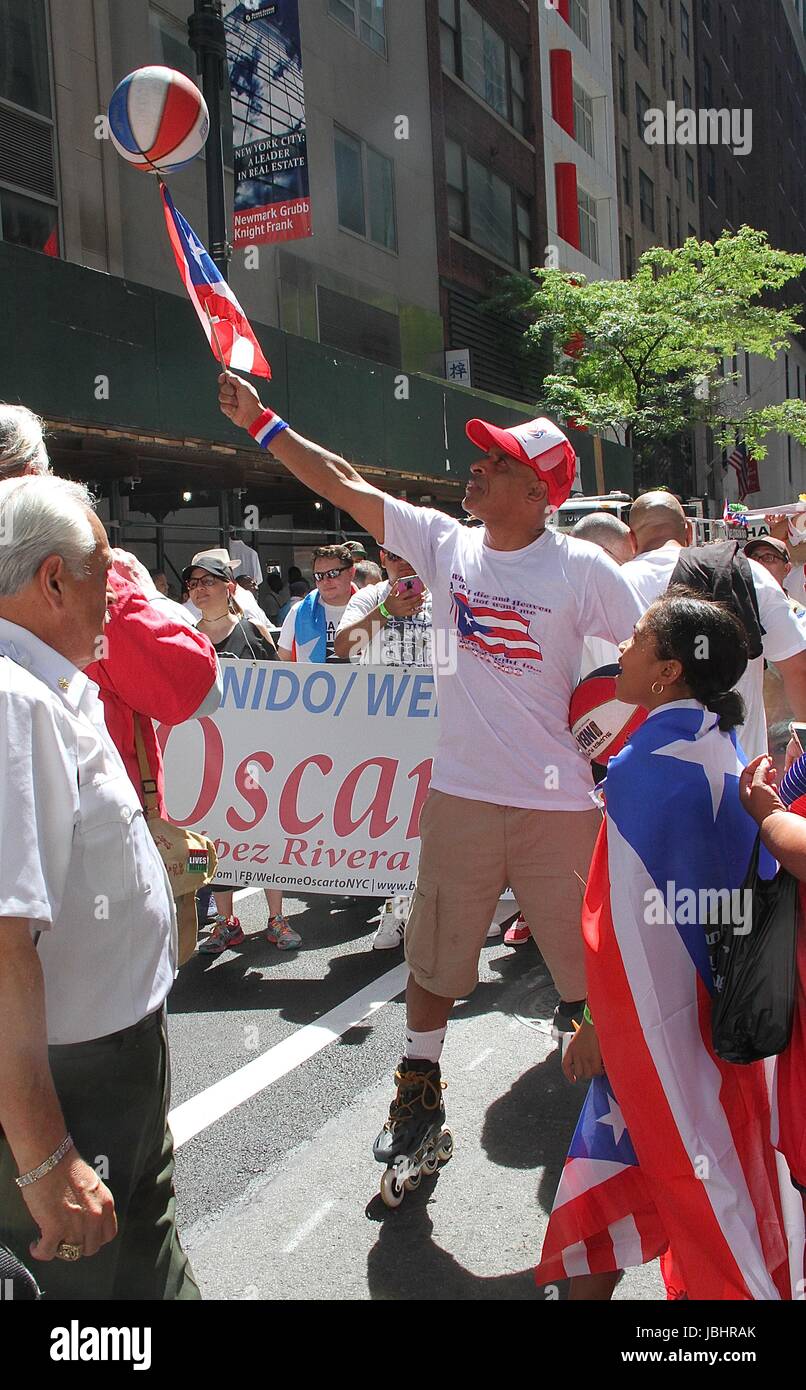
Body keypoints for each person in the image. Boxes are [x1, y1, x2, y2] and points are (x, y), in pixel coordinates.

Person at [217, 374, 643, 1183]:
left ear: (537, 489)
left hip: (559, 806)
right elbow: (343, 480)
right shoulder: (446, 543)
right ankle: (418, 1091)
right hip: (459, 798)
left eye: (497, 460)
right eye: (480, 454)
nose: (475, 467)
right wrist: (264, 423)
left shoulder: (583, 569)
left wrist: (612, 729)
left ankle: (617, 1099)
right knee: (435, 960)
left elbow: (653, 657)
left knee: (591, 970)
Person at [539, 592, 793, 1300]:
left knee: (681, 1182)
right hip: (724, 1025)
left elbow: (626, 933)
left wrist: (597, 1026)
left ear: (669, 671)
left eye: (637, 639)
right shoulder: (720, 749)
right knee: (641, 1177)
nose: (621, 649)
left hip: (657, 1040)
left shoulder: (645, 774)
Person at [0, 474, 198, 1300]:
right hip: (69, 1079)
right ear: (53, 580)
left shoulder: (53, 687)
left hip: (116, 1059)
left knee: (147, 1271)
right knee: (85, 1307)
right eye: (104, 571)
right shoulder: (14, 703)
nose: (118, 596)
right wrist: (46, 1158)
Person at [623, 490, 806, 759]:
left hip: (647, 777)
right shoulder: (747, 573)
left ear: (631, 539)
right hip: (740, 781)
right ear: (689, 531)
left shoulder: (609, 584)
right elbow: (798, 669)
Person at [184, 555, 300, 954]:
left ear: (229, 588)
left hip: (254, 758)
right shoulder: (186, 637)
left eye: (209, 581)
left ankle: (276, 917)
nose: (200, 589)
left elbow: (281, 694)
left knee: (264, 834)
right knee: (209, 837)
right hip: (206, 759)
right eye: (193, 582)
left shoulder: (253, 634)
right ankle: (225, 921)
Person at [335, 545, 434, 949]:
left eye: (410, 551)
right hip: (383, 732)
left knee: (435, 827)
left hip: (438, 726)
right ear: (382, 557)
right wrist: (388, 611)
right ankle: (396, 913)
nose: (403, 560)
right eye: (393, 554)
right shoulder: (369, 597)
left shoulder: (448, 593)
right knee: (393, 823)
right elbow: (345, 647)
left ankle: (430, 913)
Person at [277, 544, 356, 662]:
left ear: (351, 573)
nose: (325, 581)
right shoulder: (298, 612)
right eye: (319, 576)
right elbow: (283, 661)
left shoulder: (371, 608)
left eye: (333, 573)